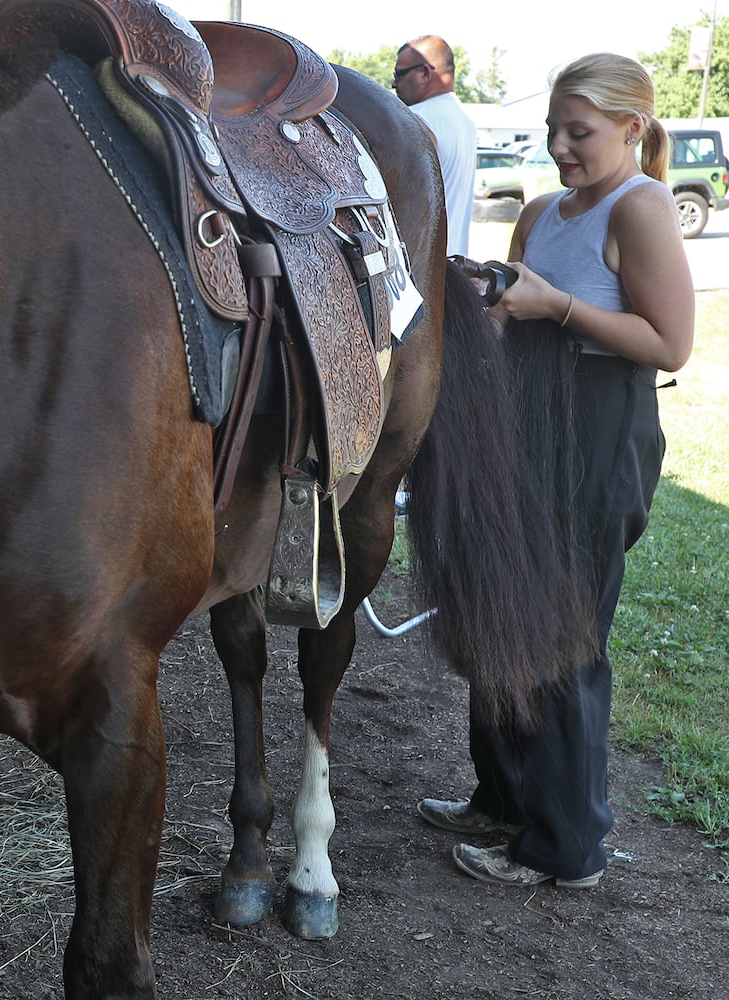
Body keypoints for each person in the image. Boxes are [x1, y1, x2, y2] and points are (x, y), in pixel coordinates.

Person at [416, 53, 694, 888]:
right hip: (528, 421)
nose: (560, 147)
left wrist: (556, 306)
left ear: (632, 127)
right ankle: (503, 799)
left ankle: (567, 848)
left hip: (600, 431)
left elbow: (669, 344)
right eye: (552, 130)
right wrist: (488, 301)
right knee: (502, 605)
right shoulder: (540, 211)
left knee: (567, 636)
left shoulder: (639, 207)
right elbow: (516, 315)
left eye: (580, 132)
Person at [392, 35, 477, 256]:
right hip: (451, 266)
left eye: (399, 74)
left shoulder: (416, 120)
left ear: (424, 73)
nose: (394, 84)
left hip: (418, 270)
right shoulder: (464, 121)